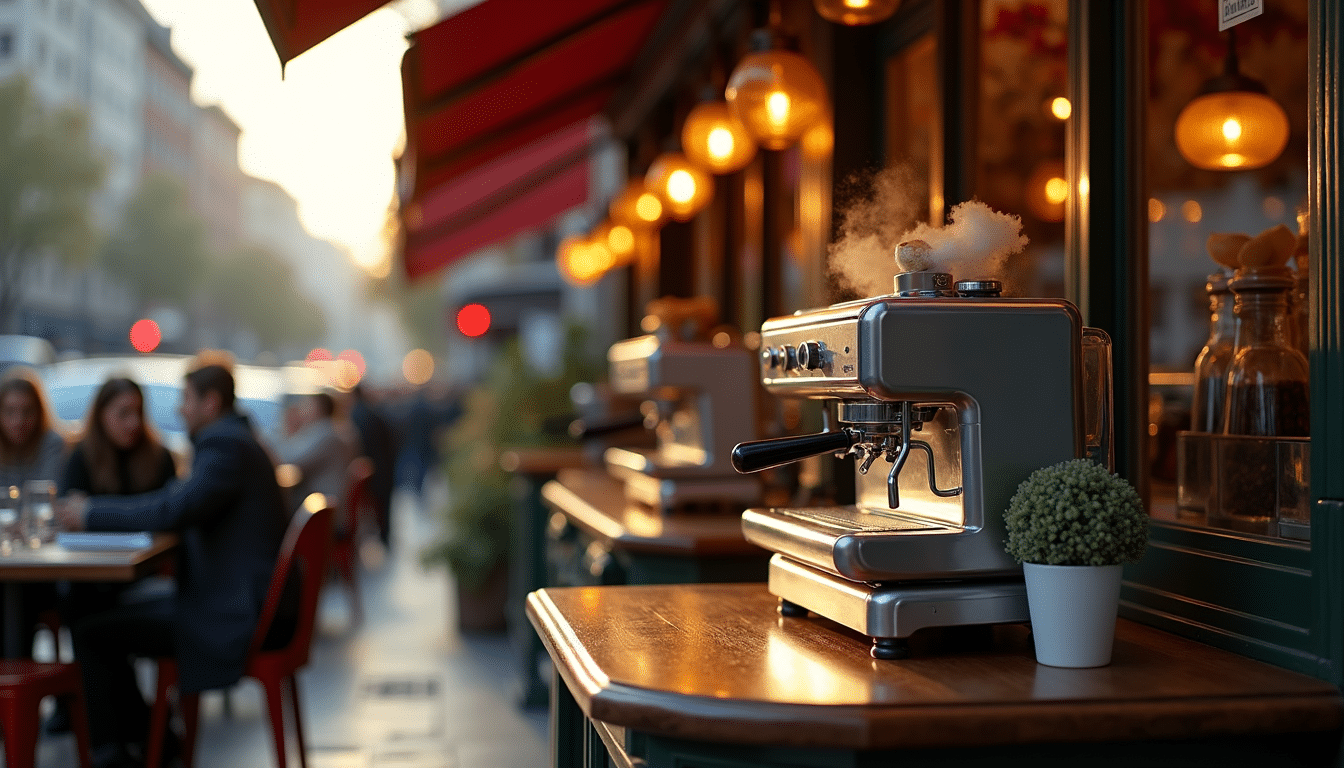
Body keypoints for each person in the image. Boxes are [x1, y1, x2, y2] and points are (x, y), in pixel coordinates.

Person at [56, 364, 291, 768]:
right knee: (95, 617)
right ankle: (147, 739)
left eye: (186, 400)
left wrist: (91, 513)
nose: (180, 410)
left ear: (210, 403)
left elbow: (174, 508)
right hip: (240, 598)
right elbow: (179, 503)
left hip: (233, 612)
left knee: (92, 629)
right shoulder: (235, 440)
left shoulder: (225, 447)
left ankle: (117, 752)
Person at [45, 378, 179, 736]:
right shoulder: (82, 456)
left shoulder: (158, 455)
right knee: (78, 601)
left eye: (136, 413)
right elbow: (67, 517)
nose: (132, 423)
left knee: (87, 619)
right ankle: (135, 725)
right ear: (101, 415)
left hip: (144, 578)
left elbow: (165, 518)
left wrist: (94, 514)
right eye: (122, 414)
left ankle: (102, 725)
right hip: (95, 577)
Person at [274, 391, 359, 515]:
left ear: (318, 409)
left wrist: (288, 432)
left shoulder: (325, 433)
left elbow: (290, 460)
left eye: (307, 406)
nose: (303, 411)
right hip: (326, 502)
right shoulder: (331, 429)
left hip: (323, 507)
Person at [0, 368, 67, 488]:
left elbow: (45, 494)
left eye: (27, 411)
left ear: (40, 413)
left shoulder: (52, 444)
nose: (18, 422)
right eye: (10, 412)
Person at [349, 384, 395, 547]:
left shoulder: (355, 415)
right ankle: (385, 537)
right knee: (384, 507)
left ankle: (380, 537)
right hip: (384, 467)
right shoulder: (375, 412)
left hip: (372, 467)